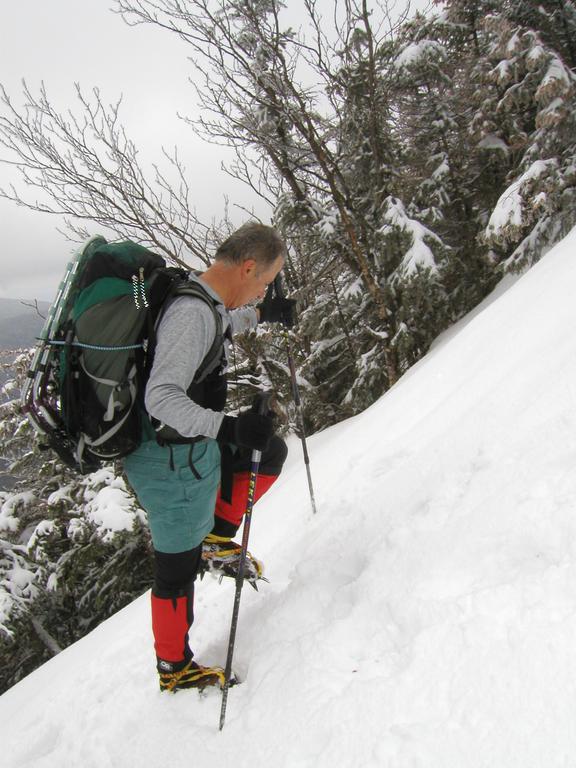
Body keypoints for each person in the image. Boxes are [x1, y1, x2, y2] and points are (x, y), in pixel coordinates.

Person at [123, 222, 295, 693]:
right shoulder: (191, 313)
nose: (263, 287)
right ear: (246, 267)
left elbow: (222, 320)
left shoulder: (205, 297)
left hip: (189, 447)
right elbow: (160, 398)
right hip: (166, 461)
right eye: (263, 280)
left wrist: (262, 312)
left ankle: (216, 539)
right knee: (175, 571)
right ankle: (174, 667)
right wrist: (229, 426)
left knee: (269, 452)